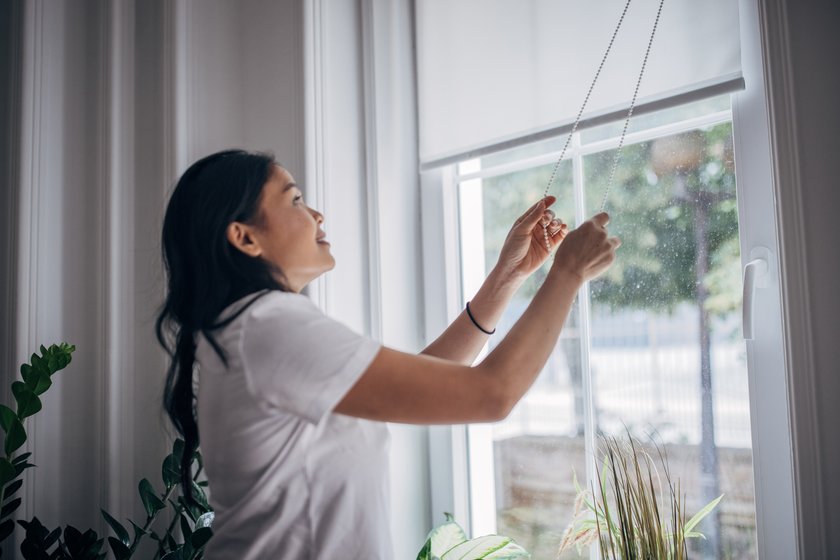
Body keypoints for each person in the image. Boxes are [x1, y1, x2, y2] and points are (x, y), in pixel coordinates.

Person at [155, 149, 620, 559]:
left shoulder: (251, 327)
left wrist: (508, 276)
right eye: (295, 200)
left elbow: (422, 384)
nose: (317, 214)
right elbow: (491, 394)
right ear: (245, 238)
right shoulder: (270, 325)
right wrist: (567, 274)